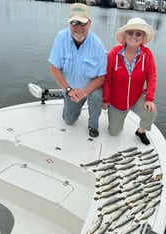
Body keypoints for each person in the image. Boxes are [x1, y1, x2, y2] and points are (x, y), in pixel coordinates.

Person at [48, 3, 107, 138]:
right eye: (74, 22)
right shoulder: (60, 38)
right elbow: (54, 67)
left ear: (89, 23)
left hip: (91, 87)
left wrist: (85, 92)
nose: (78, 27)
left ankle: (93, 125)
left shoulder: (97, 44)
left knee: (97, 96)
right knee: (69, 121)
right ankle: (70, 104)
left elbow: (101, 77)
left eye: (83, 23)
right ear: (69, 23)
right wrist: (69, 90)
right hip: (71, 88)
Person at [102, 17, 157, 145]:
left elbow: (151, 77)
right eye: (130, 33)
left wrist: (149, 98)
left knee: (151, 112)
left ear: (143, 37)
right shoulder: (114, 54)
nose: (134, 36)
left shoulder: (147, 54)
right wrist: (105, 99)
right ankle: (116, 120)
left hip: (137, 97)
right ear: (125, 35)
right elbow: (106, 79)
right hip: (117, 101)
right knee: (114, 133)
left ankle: (141, 131)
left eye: (138, 34)